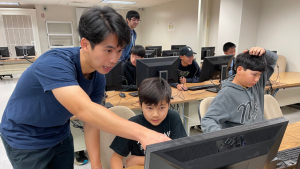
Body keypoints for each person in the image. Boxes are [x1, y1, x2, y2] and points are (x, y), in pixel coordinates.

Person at [0, 6, 170, 169]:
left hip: (59, 134)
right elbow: (84, 110)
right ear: (85, 44)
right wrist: (144, 134)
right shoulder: (54, 63)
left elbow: (91, 121)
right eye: (108, 50)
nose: (115, 59)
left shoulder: (97, 77)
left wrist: (96, 165)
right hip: (26, 138)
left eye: (119, 51)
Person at [110, 77, 187, 168]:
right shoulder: (133, 124)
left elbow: (181, 153)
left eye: (161, 108)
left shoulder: (173, 117)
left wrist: (138, 160)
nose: (155, 114)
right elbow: (116, 158)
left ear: (169, 104)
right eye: (149, 108)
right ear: (140, 104)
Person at [201, 47, 278, 133]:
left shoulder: (257, 84)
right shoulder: (227, 94)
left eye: (259, 75)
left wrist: (264, 52)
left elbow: (273, 60)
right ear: (239, 70)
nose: (257, 79)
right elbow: (208, 120)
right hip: (242, 140)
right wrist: (223, 138)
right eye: (254, 74)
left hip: (261, 134)